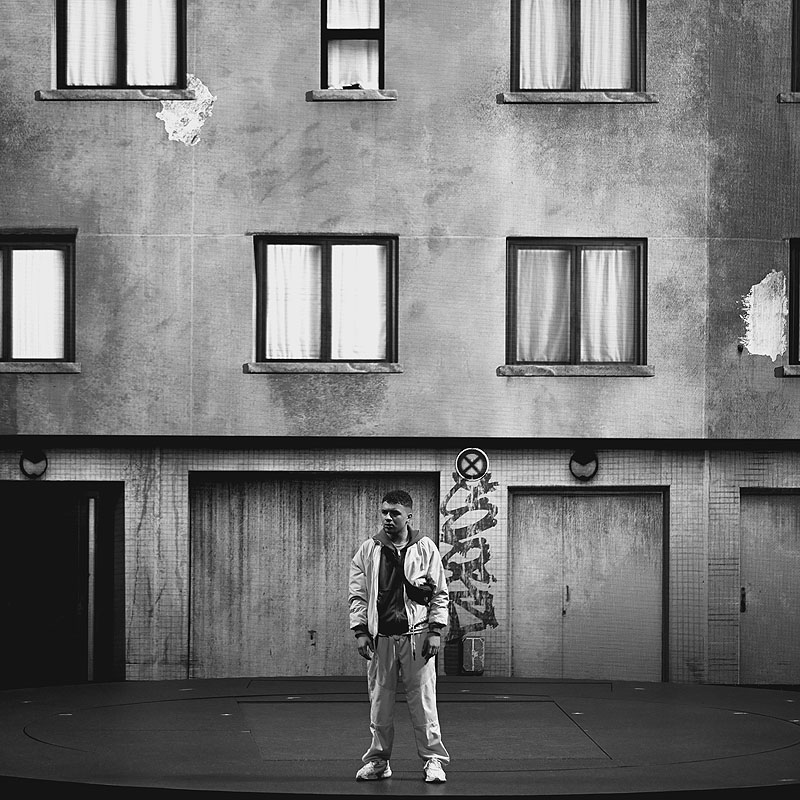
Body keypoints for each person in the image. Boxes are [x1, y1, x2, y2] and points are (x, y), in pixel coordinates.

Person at [348, 489, 450, 783]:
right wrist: (360, 632)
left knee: (424, 702)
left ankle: (433, 760)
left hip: (417, 636)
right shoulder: (368, 550)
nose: (388, 518)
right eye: (384, 512)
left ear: (409, 516)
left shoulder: (425, 548)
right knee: (380, 704)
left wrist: (436, 631)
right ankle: (379, 761)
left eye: (395, 513)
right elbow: (357, 595)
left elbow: (440, 593)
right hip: (381, 640)